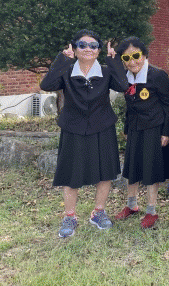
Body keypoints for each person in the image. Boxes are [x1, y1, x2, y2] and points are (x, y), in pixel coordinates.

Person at [40, 29, 129, 238]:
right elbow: (46, 85)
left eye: (93, 45)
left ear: (98, 50)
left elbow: (123, 85)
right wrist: (62, 59)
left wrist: (114, 61)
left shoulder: (106, 72)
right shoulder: (67, 71)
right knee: (71, 174)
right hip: (73, 128)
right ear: (75, 49)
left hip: (102, 127)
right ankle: (70, 216)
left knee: (105, 172)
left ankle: (98, 213)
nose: (88, 48)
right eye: (82, 45)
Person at [114, 36, 169, 229]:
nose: (132, 62)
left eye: (136, 56)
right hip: (135, 129)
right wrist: (126, 129)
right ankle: (131, 205)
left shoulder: (157, 75)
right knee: (132, 169)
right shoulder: (126, 77)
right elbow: (129, 107)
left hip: (155, 129)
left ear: (145, 55)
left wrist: (167, 132)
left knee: (151, 171)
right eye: (126, 58)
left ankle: (151, 211)